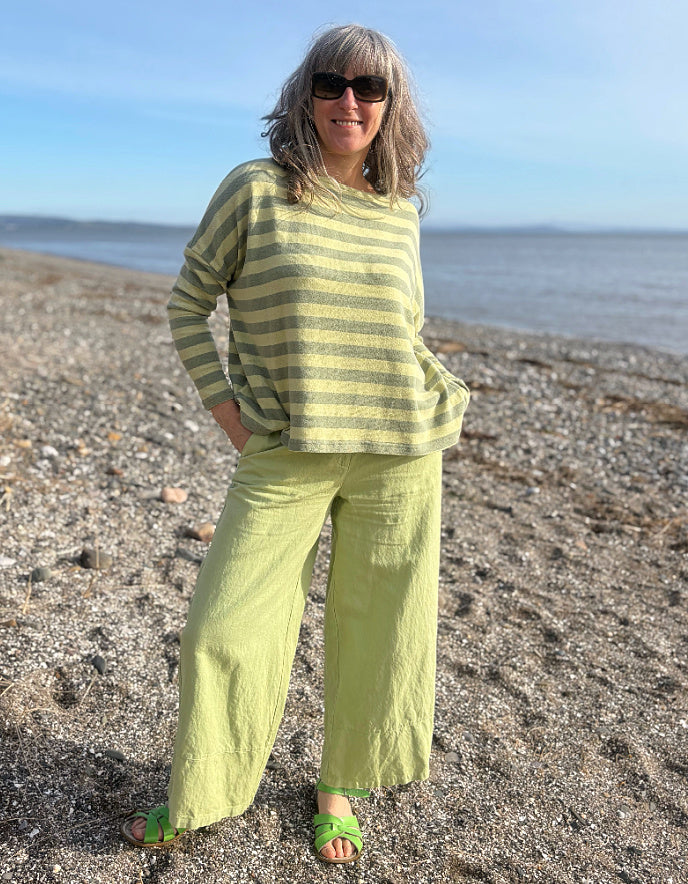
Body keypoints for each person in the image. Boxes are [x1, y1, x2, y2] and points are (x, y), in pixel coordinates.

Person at [120, 23, 469, 864]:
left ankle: (337, 785)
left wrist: (440, 390)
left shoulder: (398, 212)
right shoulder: (257, 188)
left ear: (391, 105)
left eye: (369, 87)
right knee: (223, 628)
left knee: (379, 629)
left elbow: (402, 328)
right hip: (285, 450)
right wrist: (230, 416)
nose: (349, 100)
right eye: (331, 82)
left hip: (398, 452)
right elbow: (186, 304)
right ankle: (201, 791)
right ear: (304, 95)